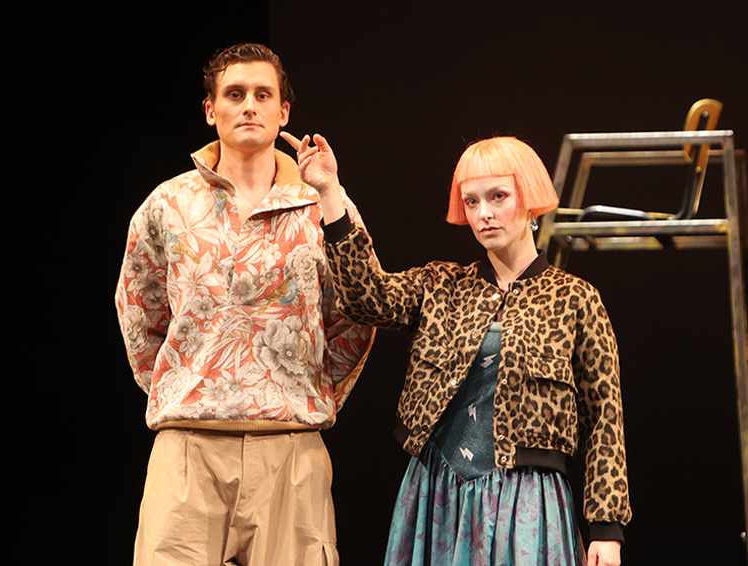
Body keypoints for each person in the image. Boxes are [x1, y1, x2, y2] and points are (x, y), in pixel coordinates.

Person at [280, 131, 630, 566]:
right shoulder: (441, 285)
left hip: (526, 499)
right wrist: (330, 192)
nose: (484, 213)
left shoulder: (575, 299)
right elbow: (366, 298)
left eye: (498, 196)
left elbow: (605, 418)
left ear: (529, 198)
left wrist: (606, 529)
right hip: (439, 493)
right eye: (472, 202)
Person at [115, 43, 374, 566]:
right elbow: (139, 309)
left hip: (290, 448)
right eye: (235, 94)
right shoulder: (168, 204)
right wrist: (185, 382)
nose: (249, 106)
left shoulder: (322, 204)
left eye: (263, 95)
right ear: (211, 110)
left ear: (284, 112)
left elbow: (357, 313)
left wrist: (309, 392)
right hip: (188, 446)